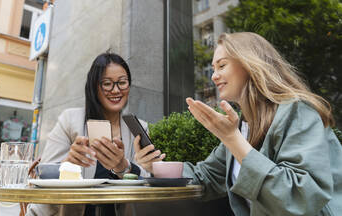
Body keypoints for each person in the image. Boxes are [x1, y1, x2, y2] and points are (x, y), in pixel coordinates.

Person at [134, 32, 342, 215]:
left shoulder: (297, 112)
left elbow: (300, 199)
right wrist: (155, 167)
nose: (214, 76)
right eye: (213, 68)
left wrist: (233, 139)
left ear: (249, 64)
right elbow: (205, 176)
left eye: (222, 65)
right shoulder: (243, 126)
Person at [27, 52, 163, 216]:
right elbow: (44, 176)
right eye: (107, 84)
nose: (116, 90)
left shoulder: (139, 128)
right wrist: (68, 163)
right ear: (94, 86)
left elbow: (147, 181)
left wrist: (124, 167)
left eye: (122, 83)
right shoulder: (70, 120)